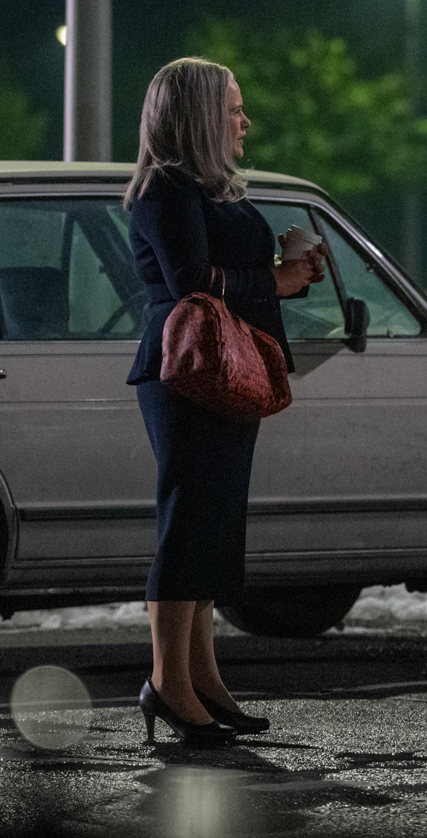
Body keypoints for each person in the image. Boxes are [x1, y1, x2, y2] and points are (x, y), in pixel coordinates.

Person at [124, 57, 326, 745]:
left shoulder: (211, 188)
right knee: (186, 522)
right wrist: (277, 276)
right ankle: (167, 683)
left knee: (212, 525)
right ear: (198, 115)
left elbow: (231, 271)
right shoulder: (165, 187)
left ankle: (202, 680)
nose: (245, 121)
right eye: (233, 108)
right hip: (187, 371)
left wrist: (291, 271)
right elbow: (189, 279)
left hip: (231, 369)